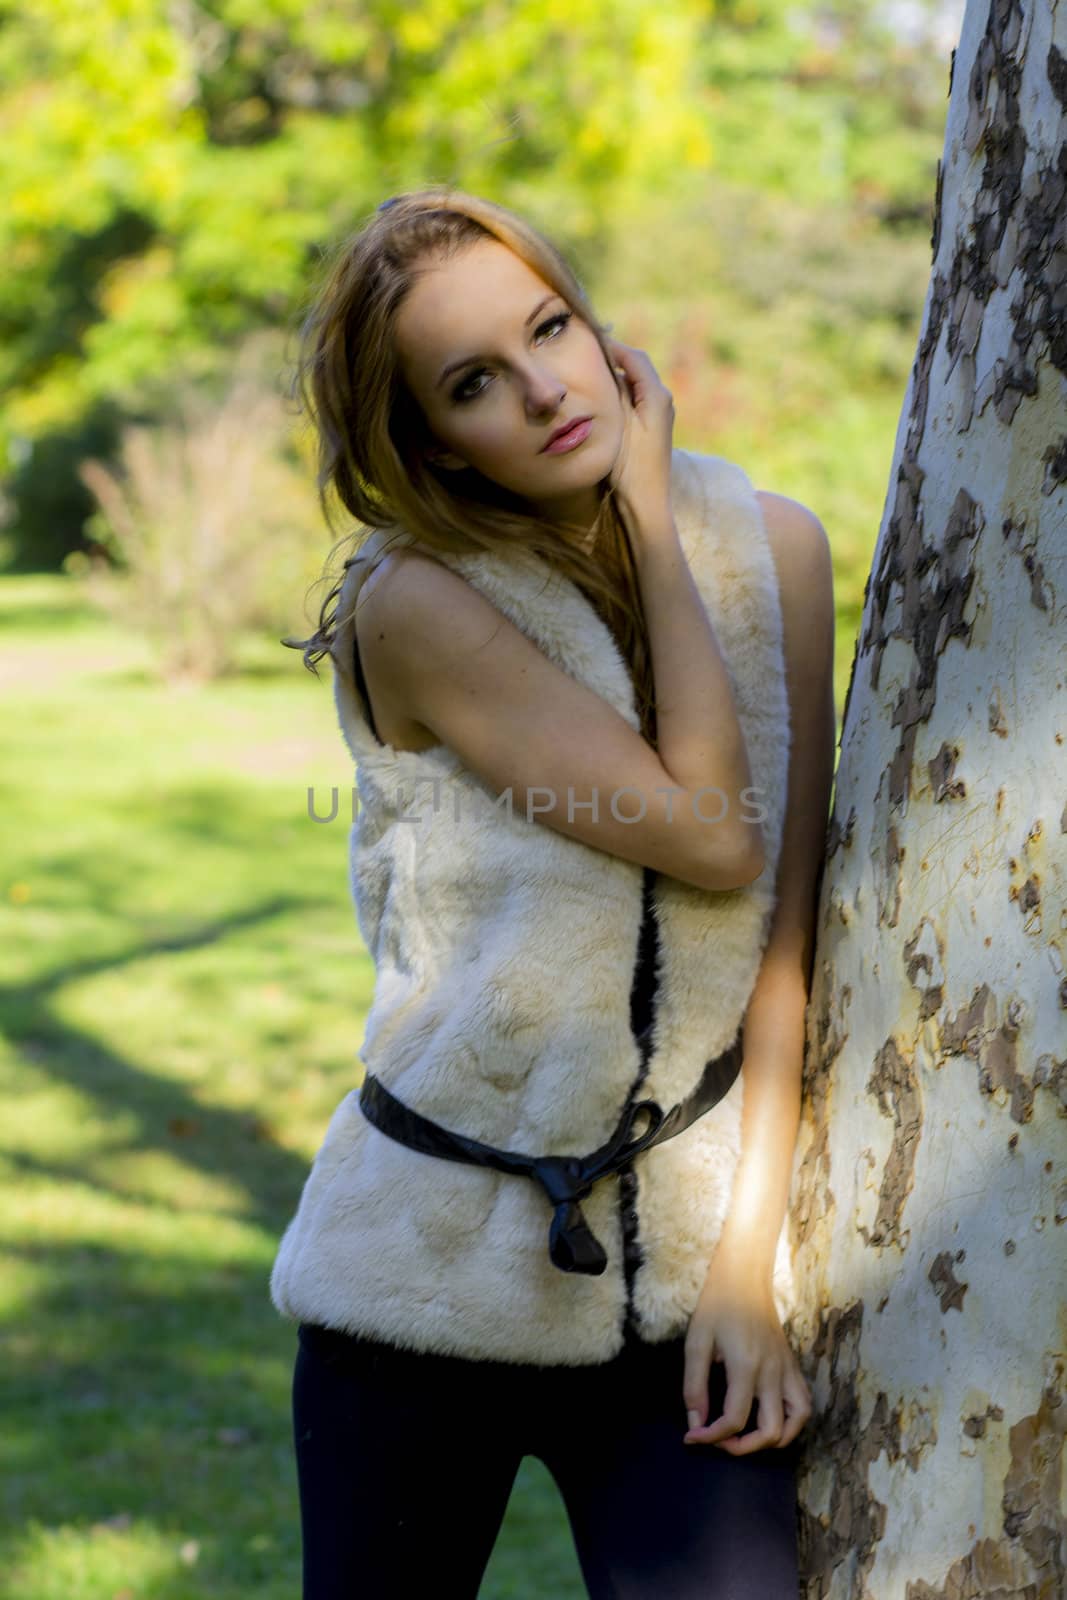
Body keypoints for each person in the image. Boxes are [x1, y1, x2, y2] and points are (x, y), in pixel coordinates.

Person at [274, 186, 836, 1598]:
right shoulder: (409, 604)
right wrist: (649, 521)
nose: (544, 390)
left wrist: (749, 1265)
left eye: (551, 327)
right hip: (418, 1275)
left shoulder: (778, 550)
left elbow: (789, 924)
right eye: (475, 382)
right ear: (424, 438)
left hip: (680, 1290)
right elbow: (708, 833)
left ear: (593, 320)